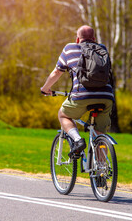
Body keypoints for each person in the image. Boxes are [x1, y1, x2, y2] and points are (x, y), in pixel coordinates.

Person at [40, 25, 114, 158]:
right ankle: (102, 173)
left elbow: (57, 72)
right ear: (94, 39)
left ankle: (78, 140)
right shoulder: (102, 49)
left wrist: (45, 88)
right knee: (100, 134)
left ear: (77, 39)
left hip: (81, 95)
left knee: (63, 115)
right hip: (106, 97)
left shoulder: (70, 48)